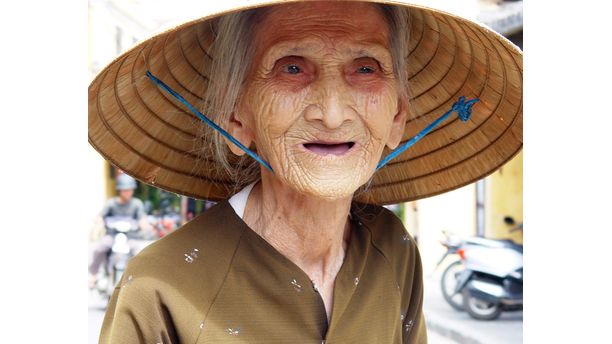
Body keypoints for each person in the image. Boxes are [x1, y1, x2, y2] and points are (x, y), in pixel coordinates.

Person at [88, 1, 522, 343]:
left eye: (365, 68)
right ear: (237, 114)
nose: (332, 115)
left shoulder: (393, 249)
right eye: (291, 67)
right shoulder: (159, 287)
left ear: (398, 117)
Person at [88, 174, 151, 289]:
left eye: (130, 190)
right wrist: (98, 221)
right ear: (119, 190)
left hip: (131, 237)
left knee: (139, 253)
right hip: (112, 235)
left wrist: (145, 226)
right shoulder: (111, 203)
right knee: (99, 248)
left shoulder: (136, 204)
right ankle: (93, 275)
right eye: (125, 190)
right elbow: (100, 216)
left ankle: (139, 280)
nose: (128, 192)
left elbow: (142, 219)